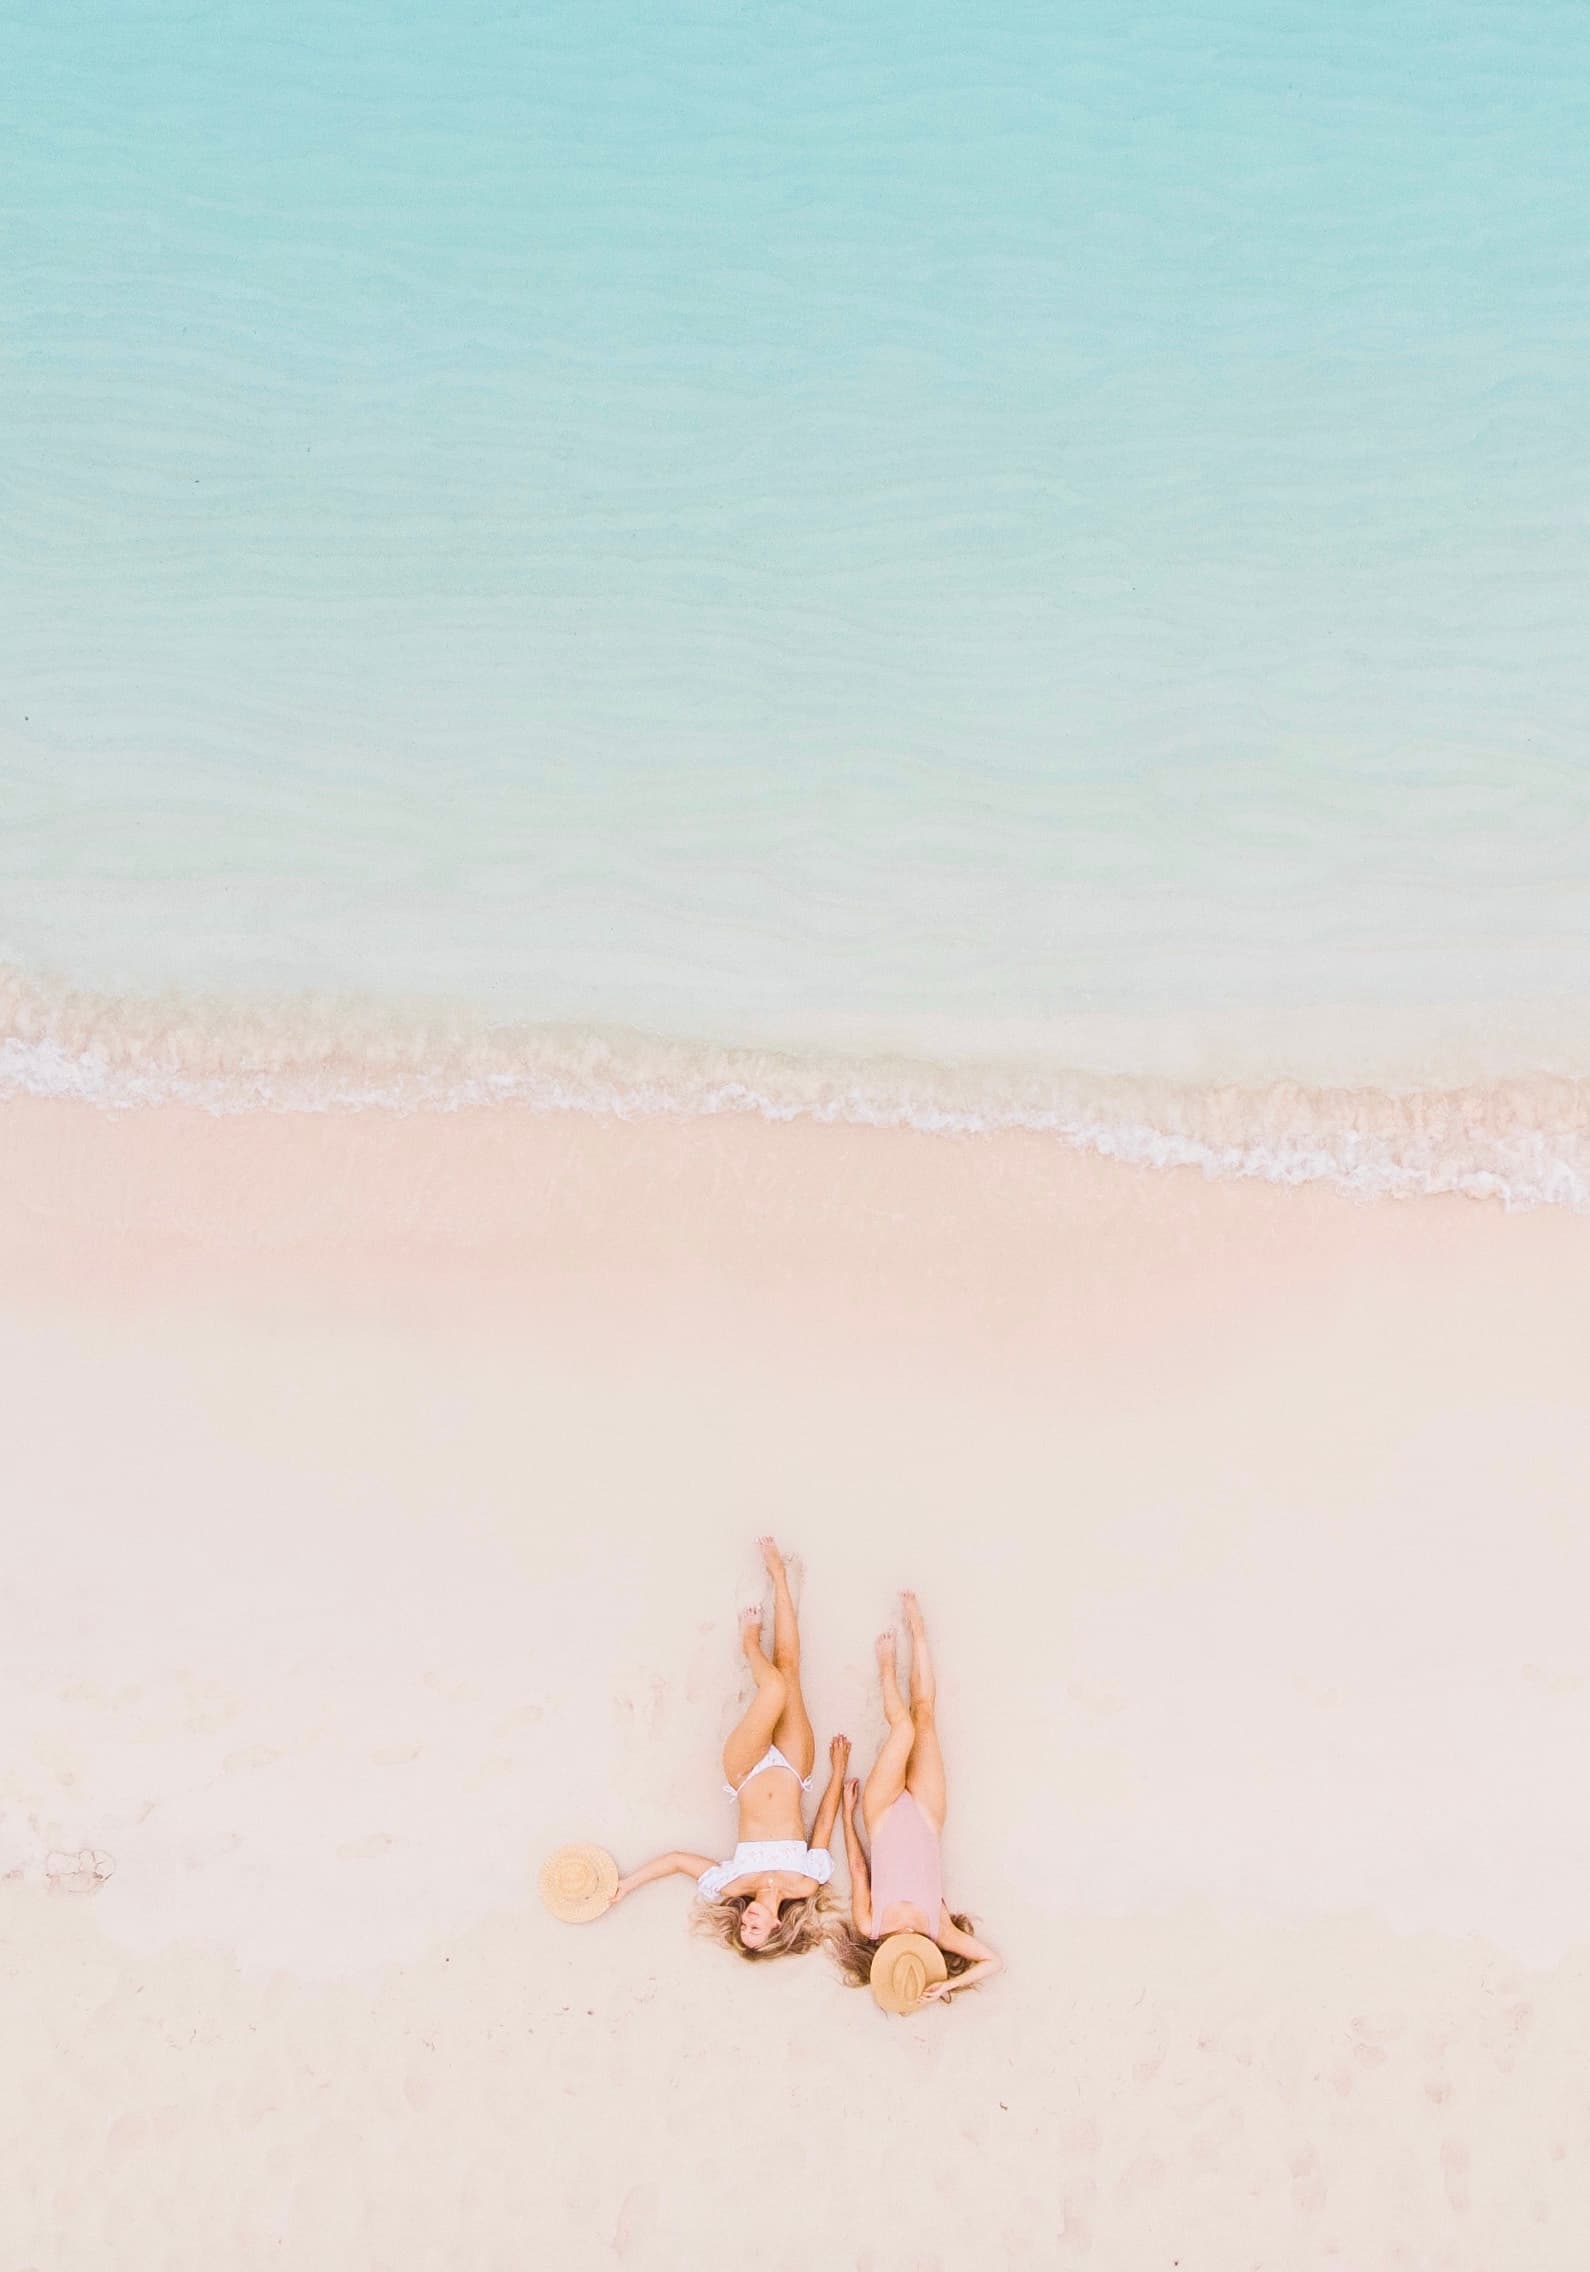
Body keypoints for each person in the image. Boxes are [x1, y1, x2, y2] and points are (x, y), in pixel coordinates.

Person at [611, 1537, 847, 1961]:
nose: (748, 1920)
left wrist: (627, 1884)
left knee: (772, 1686)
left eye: (744, 1926)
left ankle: (750, 1644)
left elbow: (677, 1861)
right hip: (795, 1768)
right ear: (777, 1927)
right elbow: (825, 1822)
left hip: (748, 1770)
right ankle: (778, 1577)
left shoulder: (732, 1884)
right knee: (790, 1671)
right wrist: (838, 1772)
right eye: (756, 1928)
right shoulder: (807, 1881)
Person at [829, 1593, 1002, 2010]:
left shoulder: (870, 1925)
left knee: (905, 1728)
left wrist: (848, 1817)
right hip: (926, 1815)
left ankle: (887, 1669)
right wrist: (948, 1987)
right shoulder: (938, 1930)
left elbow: (857, 1868)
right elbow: (993, 1962)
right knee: (924, 1714)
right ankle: (918, 1633)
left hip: (882, 1813)